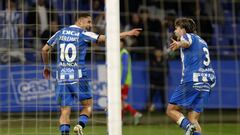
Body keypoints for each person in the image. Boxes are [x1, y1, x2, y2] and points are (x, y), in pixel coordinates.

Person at [41, 13, 142, 135]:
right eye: (88, 22)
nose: (90, 25)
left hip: (61, 77)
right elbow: (105, 38)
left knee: (64, 111)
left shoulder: (60, 32)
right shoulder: (82, 34)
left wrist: (46, 66)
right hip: (78, 76)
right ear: (79, 21)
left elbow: (44, 50)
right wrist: (126, 34)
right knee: (88, 106)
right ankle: (79, 126)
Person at [166, 17, 216, 135]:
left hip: (193, 80)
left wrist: (179, 43)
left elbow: (186, 42)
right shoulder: (203, 41)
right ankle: (192, 128)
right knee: (193, 117)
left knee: (171, 110)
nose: (175, 31)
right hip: (208, 82)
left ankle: (187, 127)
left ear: (183, 29)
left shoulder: (187, 36)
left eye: (176, 28)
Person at [120, 39, 142, 125]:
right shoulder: (120, 53)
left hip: (124, 82)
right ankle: (135, 114)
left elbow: (125, 69)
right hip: (121, 81)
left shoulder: (124, 53)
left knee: (119, 102)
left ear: (123, 44)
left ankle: (134, 114)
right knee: (120, 102)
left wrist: (122, 82)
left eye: (120, 42)